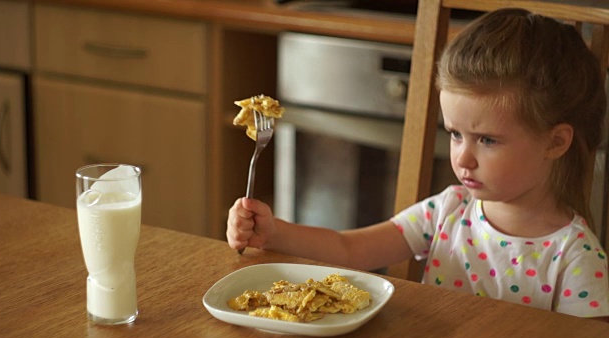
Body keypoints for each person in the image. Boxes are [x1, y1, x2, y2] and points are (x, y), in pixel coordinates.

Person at [226, 8, 609, 319]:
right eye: (455, 134)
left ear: (555, 142)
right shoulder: (448, 212)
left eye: (488, 140)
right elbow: (347, 249)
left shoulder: (575, 258)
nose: (462, 157)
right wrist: (273, 232)